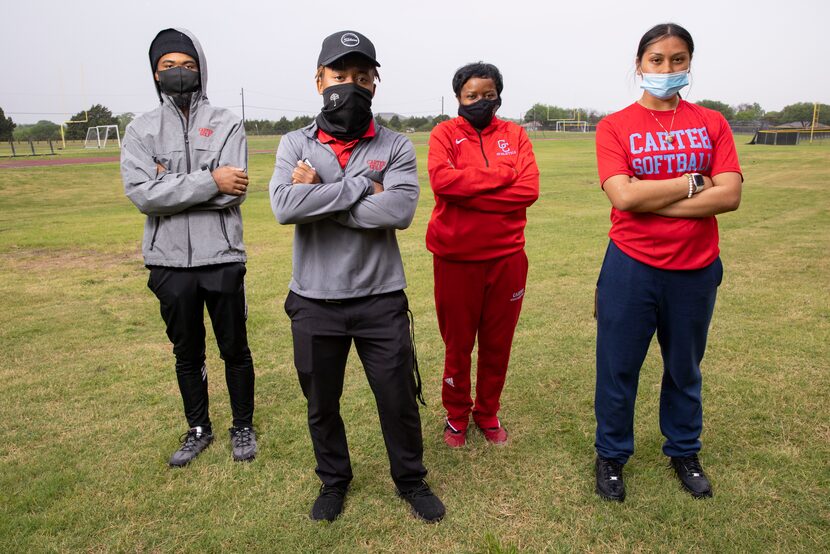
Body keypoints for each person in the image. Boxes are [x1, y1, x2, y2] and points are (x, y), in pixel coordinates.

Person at [269, 30, 445, 523]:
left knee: (397, 399)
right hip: (312, 300)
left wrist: (321, 193)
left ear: (375, 82)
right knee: (322, 402)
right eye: (339, 76)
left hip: (380, 298)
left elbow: (398, 211)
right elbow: (284, 206)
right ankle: (333, 481)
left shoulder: (396, 145)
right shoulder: (293, 143)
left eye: (362, 77)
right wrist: (361, 187)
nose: (350, 85)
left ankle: (410, 480)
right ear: (319, 80)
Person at [593, 23, 742, 501]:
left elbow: (732, 194)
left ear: (689, 64)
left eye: (678, 60)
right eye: (657, 60)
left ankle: (683, 450)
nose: (667, 69)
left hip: (696, 268)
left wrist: (646, 198)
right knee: (618, 367)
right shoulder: (615, 125)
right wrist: (693, 182)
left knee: (685, 367)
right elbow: (621, 194)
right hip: (631, 267)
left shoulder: (712, 122)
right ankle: (612, 456)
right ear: (639, 64)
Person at [121, 28, 257, 467]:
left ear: (200, 70)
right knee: (187, 352)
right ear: (155, 74)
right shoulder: (140, 129)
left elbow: (234, 189)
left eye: (187, 64)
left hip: (222, 257)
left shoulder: (226, 122)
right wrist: (207, 179)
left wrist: (169, 180)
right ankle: (198, 427)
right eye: (167, 66)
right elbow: (142, 194)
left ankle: (242, 426)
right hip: (168, 264)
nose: (178, 72)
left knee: (234, 348)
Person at [426, 62, 539, 449]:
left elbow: (528, 191)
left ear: (498, 95)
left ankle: (487, 412)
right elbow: (442, 181)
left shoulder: (515, 134)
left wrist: (470, 193)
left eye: (487, 95)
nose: (479, 101)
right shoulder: (444, 133)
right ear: (459, 97)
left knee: (497, 342)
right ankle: (456, 414)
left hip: (507, 257)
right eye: (471, 96)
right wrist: (503, 176)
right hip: (456, 258)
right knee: (457, 344)